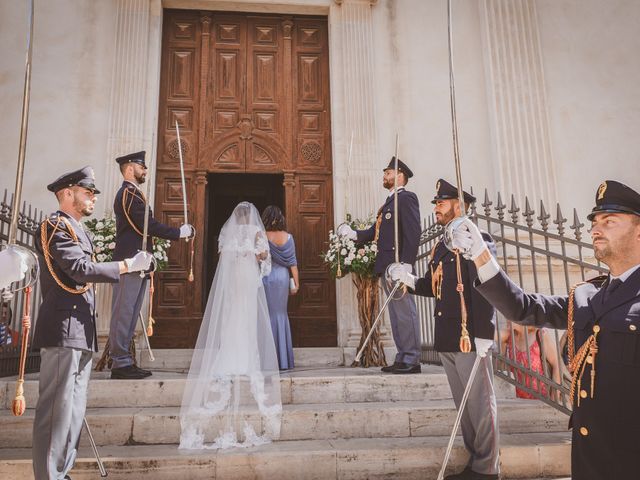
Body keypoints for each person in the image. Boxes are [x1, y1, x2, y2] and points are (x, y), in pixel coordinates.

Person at [451, 180, 640, 480]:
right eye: (594, 222)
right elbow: (524, 308)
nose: (595, 229)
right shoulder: (585, 296)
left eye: (609, 221)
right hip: (589, 461)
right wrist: (481, 257)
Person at [32, 166, 151, 480]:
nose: (93, 199)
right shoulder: (55, 225)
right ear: (68, 193)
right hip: (63, 327)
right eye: (87, 193)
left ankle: (61, 471)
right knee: (56, 413)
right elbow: (80, 269)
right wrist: (127, 265)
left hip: (80, 329)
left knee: (72, 411)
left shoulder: (77, 229)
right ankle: (49, 475)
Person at [390, 178, 499, 480]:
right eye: (436, 203)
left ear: (459, 205)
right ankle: (475, 463)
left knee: (480, 404)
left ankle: (489, 469)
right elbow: (432, 285)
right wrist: (409, 280)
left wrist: (485, 335)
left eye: (441, 202)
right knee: (465, 407)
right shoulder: (441, 245)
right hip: (448, 336)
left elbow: (487, 286)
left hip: (470, 335)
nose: (436, 207)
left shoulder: (478, 239)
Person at [179, 202, 281, 449]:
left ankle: (228, 357)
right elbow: (265, 257)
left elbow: (221, 257)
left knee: (232, 316)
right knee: (247, 317)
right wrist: (256, 257)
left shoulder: (229, 233)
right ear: (251, 216)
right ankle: (246, 359)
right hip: (247, 279)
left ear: (236, 216)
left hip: (234, 280)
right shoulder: (257, 231)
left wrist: (238, 256)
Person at [109, 151, 193, 379]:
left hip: (139, 262)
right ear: (129, 168)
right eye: (141, 167)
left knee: (131, 311)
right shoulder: (128, 194)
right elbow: (147, 225)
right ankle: (119, 362)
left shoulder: (134, 194)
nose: (145, 170)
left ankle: (124, 360)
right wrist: (178, 232)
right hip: (130, 261)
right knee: (123, 312)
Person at [338, 157, 422, 374]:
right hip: (386, 264)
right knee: (395, 313)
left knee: (405, 311)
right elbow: (375, 232)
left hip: (398, 265)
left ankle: (412, 358)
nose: (384, 176)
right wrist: (354, 234)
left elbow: (413, 233)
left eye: (388, 173)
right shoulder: (388, 201)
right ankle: (403, 356)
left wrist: (407, 264)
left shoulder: (406, 198)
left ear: (399, 175)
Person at [261, 205, 299, 370]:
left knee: (266, 315)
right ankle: (283, 359)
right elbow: (293, 263)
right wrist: (297, 283)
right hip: (283, 277)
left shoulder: (261, 236)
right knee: (280, 314)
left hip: (266, 276)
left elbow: (258, 259)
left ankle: (266, 359)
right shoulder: (288, 237)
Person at [498, 322, 562, 400]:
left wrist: (554, 400)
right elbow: (490, 335)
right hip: (517, 402)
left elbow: (557, 364)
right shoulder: (509, 336)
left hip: (542, 401)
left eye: (511, 314)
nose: (507, 319)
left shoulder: (540, 334)